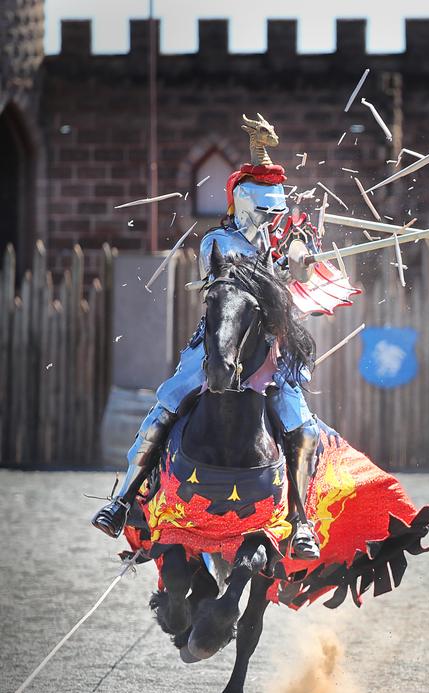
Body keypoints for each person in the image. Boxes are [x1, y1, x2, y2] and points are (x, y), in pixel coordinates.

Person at [92, 114, 358, 560]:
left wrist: (302, 262)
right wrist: (281, 262)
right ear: (245, 203)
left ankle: (301, 521)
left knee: (301, 423)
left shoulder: (286, 241)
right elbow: (235, 279)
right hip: (217, 343)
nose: (273, 217)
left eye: (278, 210)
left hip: (270, 351)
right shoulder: (219, 242)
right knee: (167, 403)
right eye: (266, 209)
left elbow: (296, 273)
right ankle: (123, 501)